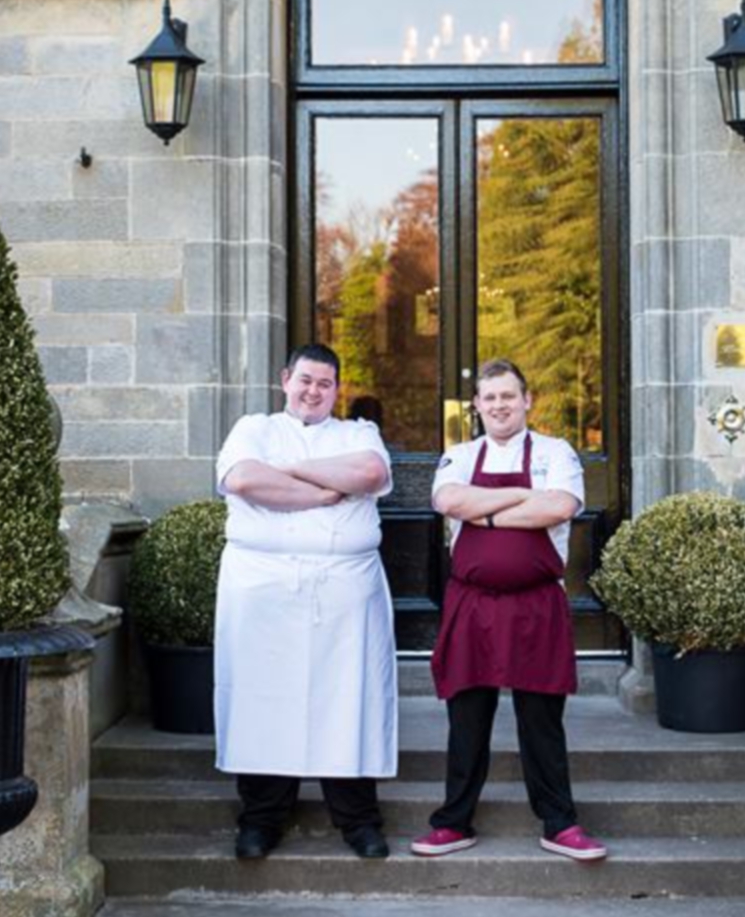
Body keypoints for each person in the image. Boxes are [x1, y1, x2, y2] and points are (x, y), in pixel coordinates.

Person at [412, 359, 607, 862]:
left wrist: (488, 514)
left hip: (536, 605)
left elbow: (559, 508)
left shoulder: (555, 452)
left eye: (508, 396)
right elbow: (448, 500)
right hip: (471, 606)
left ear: (527, 401)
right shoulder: (459, 455)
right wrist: (522, 497)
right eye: (489, 397)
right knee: (467, 717)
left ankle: (559, 823)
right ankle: (454, 822)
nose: (499, 405)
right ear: (476, 406)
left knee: (541, 718)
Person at [213, 343, 397, 860]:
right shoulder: (254, 428)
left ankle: (358, 821)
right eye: (306, 381)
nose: (314, 392)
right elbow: (244, 479)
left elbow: (368, 476)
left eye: (325, 384)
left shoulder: (359, 433)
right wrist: (321, 490)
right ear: (285, 379)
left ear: (337, 390)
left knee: (347, 704)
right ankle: (261, 818)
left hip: (344, 594)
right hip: (263, 592)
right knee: (263, 705)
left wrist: (286, 473)